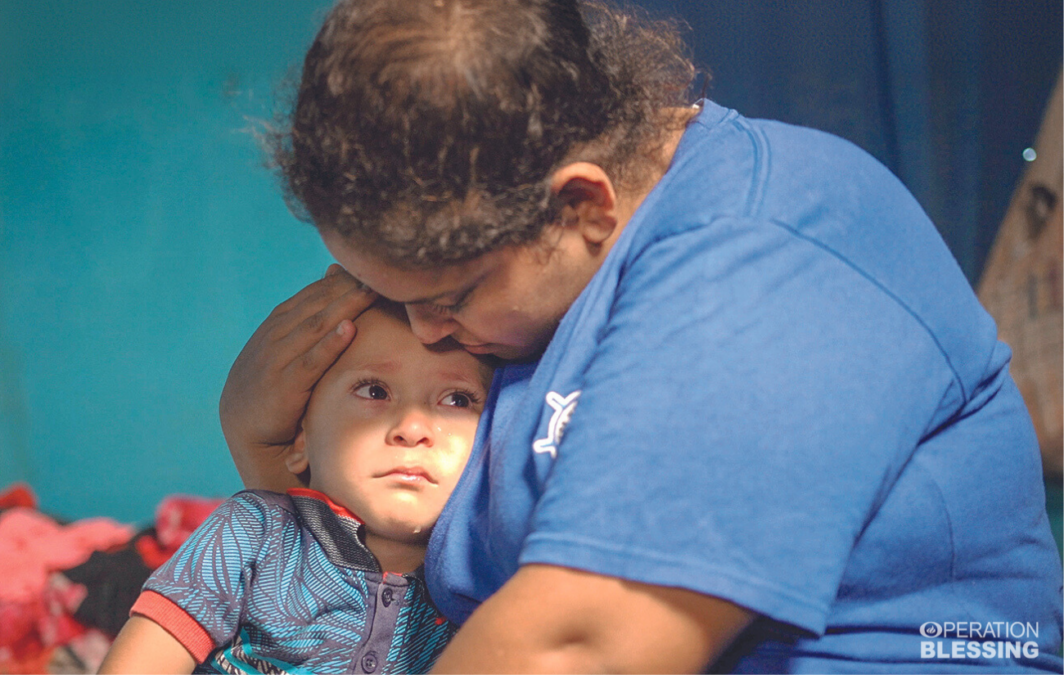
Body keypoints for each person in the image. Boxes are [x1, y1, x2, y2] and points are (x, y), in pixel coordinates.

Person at [220, 0, 1064, 671]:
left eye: (450, 294)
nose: (425, 329)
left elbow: (582, 646)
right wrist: (265, 452)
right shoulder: (535, 316)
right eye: (390, 295)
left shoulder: (769, 247)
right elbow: (386, 596)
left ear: (582, 205)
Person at [98, 302, 493, 674]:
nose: (412, 429)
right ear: (302, 440)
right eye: (375, 391)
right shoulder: (253, 530)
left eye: (456, 399)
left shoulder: (483, 580)